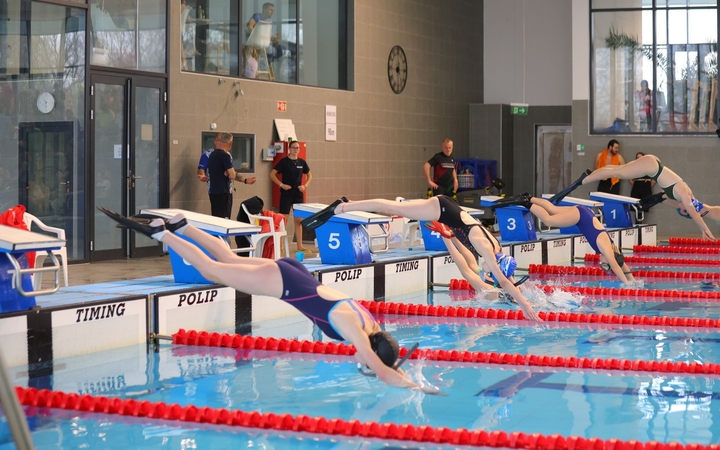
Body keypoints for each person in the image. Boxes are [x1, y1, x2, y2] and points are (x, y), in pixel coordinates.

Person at [97, 206, 442, 394]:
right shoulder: (354, 329)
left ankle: (183, 226)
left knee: (227, 260)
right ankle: (164, 233)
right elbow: (380, 369)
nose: (362, 360)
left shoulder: (369, 321)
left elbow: (381, 355)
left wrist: (396, 363)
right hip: (286, 285)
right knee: (212, 269)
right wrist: (416, 387)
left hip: (295, 273)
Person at [300, 196, 542, 321]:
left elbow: (490, 268)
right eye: (491, 271)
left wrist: (449, 236)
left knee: (396, 209)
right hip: (442, 209)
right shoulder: (488, 250)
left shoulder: (496, 247)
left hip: (446, 210)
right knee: (394, 209)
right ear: (496, 264)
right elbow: (502, 279)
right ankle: (343, 207)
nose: (487, 272)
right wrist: (524, 304)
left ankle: (348, 205)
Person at [492, 194, 639, 286]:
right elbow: (616, 266)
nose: (601, 263)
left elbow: (621, 264)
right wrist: (626, 284)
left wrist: (633, 281)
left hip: (583, 213)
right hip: (580, 216)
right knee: (548, 220)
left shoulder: (613, 250)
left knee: (553, 210)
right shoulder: (606, 248)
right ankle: (526, 203)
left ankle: (528, 197)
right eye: (604, 264)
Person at [565, 154, 715, 241]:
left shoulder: (680, 197)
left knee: (617, 170)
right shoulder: (685, 194)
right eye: (683, 209)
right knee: (617, 172)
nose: (681, 207)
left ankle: (588, 176)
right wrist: (705, 230)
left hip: (652, 165)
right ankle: (583, 180)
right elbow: (694, 213)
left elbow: (662, 199)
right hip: (651, 166)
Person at [270, 141, 312, 251]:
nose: (295, 150)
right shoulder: (284, 162)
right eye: (293, 147)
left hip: (298, 193)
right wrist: (281, 185)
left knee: (298, 221)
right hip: (286, 193)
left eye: (297, 148)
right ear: (289, 149)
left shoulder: (302, 162)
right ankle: (280, 246)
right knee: (283, 220)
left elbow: (309, 175)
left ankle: (300, 246)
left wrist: (305, 186)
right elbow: (272, 174)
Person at [207, 132, 257, 219]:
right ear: (230, 143)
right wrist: (230, 173)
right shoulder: (225, 156)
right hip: (223, 192)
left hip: (214, 191)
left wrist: (245, 180)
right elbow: (233, 175)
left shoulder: (212, 155)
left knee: (216, 218)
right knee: (224, 219)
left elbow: (228, 173)